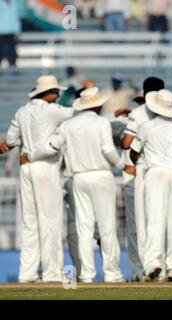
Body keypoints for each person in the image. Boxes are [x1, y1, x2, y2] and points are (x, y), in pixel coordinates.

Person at [23, 87, 126, 283]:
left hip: (78, 178)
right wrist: (122, 165)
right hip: (101, 175)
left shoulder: (68, 125)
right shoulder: (101, 123)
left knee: (83, 228)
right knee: (106, 227)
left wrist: (30, 155)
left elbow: (51, 147)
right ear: (98, 105)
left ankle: (87, 274)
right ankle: (112, 274)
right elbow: (107, 149)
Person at [0, 75, 73, 283]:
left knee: (29, 223)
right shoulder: (51, 110)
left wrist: (9, 145)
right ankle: (52, 273)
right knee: (49, 220)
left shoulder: (22, 111)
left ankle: (27, 273)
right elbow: (77, 114)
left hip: (25, 168)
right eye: (56, 92)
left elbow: (12, 140)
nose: (58, 96)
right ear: (48, 94)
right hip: (45, 167)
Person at [129, 89, 172, 282]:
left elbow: (133, 152)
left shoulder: (148, 126)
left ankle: (153, 263)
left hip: (156, 172)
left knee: (155, 219)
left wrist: (141, 156)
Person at [121, 76, 164, 280]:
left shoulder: (138, 114)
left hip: (142, 169)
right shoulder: (170, 111)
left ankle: (143, 269)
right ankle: (161, 267)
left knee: (141, 222)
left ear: (144, 93)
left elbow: (126, 143)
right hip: (166, 169)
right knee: (161, 220)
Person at [0, 0, 21, 69]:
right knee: (0, 51)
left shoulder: (14, 3)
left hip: (11, 31)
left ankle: (13, 67)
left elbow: (16, 18)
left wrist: (18, 32)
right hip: (1, 31)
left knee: (12, 51)